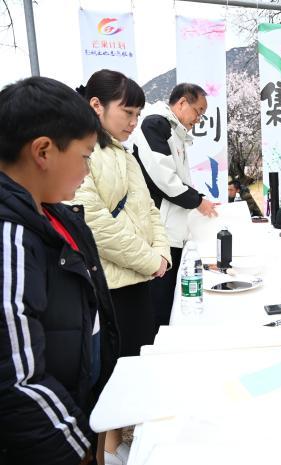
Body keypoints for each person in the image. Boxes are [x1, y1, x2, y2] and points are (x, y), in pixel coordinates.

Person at [0, 77, 119, 465]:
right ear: (43, 151)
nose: (87, 169)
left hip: (72, 408)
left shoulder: (55, 215)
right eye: (85, 156)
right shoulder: (10, 237)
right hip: (49, 439)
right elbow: (16, 379)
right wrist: (77, 446)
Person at [72, 69, 171, 463]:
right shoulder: (83, 151)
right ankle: (107, 454)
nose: (133, 122)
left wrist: (162, 254)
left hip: (138, 280)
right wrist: (150, 259)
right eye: (127, 112)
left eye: (137, 114)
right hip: (110, 287)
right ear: (96, 105)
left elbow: (149, 209)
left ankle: (123, 448)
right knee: (113, 382)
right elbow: (94, 223)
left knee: (134, 370)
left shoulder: (122, 152)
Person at [132, 83, 218, 327]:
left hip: (173, 231)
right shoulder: (154, 125)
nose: (198, 119)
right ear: (181, 103)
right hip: (160, 232)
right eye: (198, 111)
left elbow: (178, 180)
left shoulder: (173, 130)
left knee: (167, 301)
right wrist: (198, 201)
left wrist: (199, 197)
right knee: (158, 304)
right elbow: (165, 179)